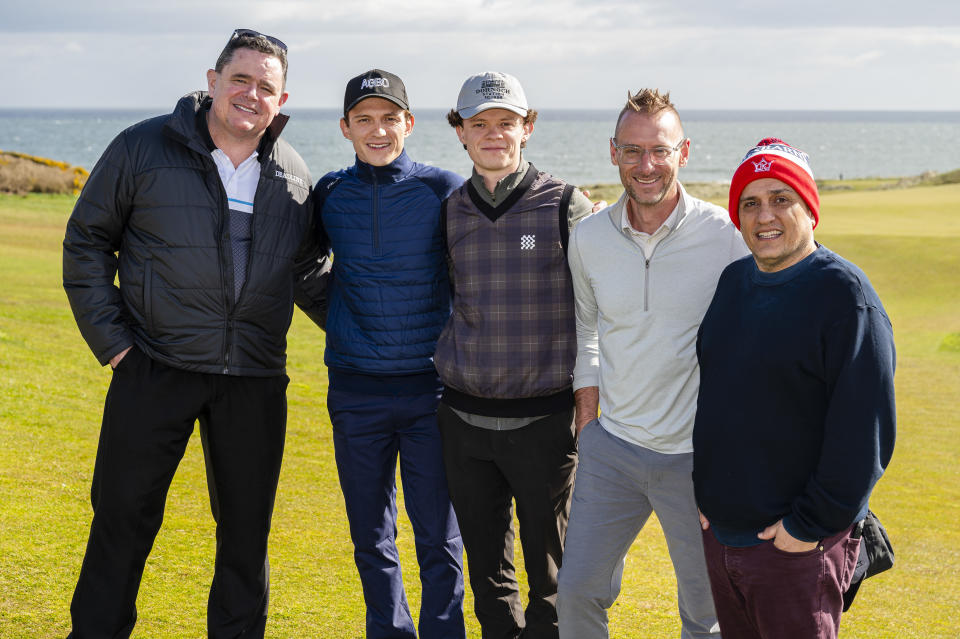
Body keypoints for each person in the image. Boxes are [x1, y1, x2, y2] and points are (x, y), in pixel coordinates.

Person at [62, 29, 327, 638]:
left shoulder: (291, 173)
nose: (251, 94)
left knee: (245, 538)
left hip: (255, 379)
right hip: (153, 365)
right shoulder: (142, 147)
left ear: (281, 102)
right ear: (212, 82)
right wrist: (119, 348)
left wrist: (387, 331)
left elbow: (310, 272)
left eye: (267, 87)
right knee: (121, 522)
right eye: (241, 79)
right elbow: (86, 244)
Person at [558, 88, 748, 639]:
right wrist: (587, 420)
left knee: (706, 614)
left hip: (697, 460)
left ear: (683, 152)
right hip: (610, 450)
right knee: (577, 592)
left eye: (660, 150)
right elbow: (586, 329)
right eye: (633, 150)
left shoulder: (725, 236)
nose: (647, 165)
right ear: (613, 151)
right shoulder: (589, 237)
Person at [693, 138, 896, 639]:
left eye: (781, 199)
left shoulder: (846, 298)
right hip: (723, 539)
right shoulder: (734, 281)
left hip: (796, 549)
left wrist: (806, 528)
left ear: (809, 208)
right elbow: (718, 395)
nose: (765, 215)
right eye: (750, 202)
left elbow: (863, 438)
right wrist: (707, 492)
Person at [434, 71, 594, 639]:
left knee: (551, 575)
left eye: (506, 122)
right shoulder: (450, 210)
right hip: (463, 422)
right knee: (487, 575)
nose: (493, 134)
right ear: (460, 132)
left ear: (527, 128)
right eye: (479, 123)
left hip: (545, 424)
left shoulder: (566, 205)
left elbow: (598, 310)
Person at [314, 69, 465, 639]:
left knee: (438, 535)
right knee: (370, 537)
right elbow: (304, 264)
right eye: (365, 119)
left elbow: (471, 271)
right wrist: (340, 316)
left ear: (408, 122)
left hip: (431, 390)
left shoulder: (442, 189)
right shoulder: (329, 192)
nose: (378, 130)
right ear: (346, 127)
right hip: (355, 391)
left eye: (389, 117)